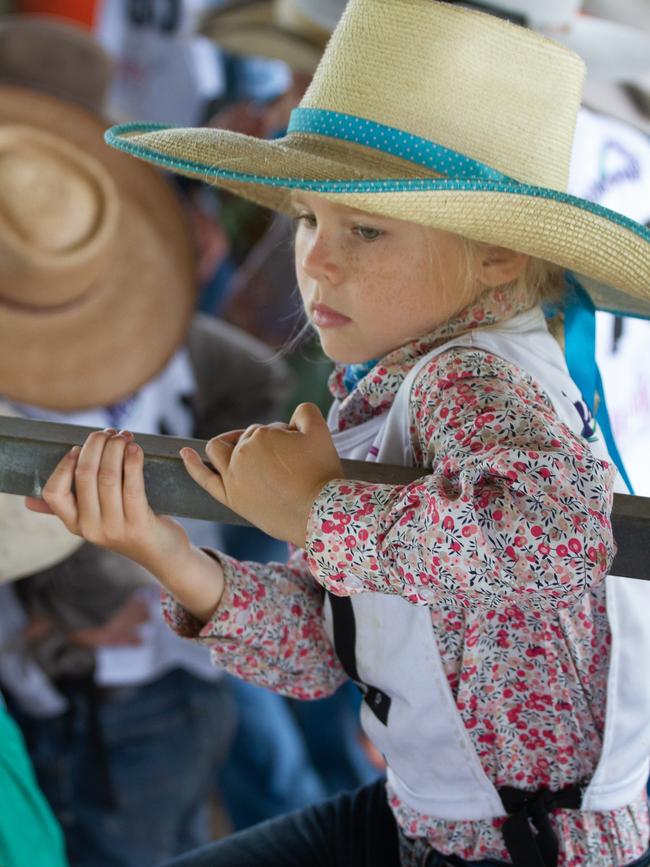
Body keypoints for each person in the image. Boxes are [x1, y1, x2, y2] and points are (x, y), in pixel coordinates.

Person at [28, 1, 650, 865]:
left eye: (365, 230)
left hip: (515, 845)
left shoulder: (471, 376)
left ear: (498, 256)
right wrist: (165, 552)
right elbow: (329, 646)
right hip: (435, 820)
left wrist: (314, 508)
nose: (315, 259)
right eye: (310, 218)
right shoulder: (404, 377)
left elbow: (559, 525)